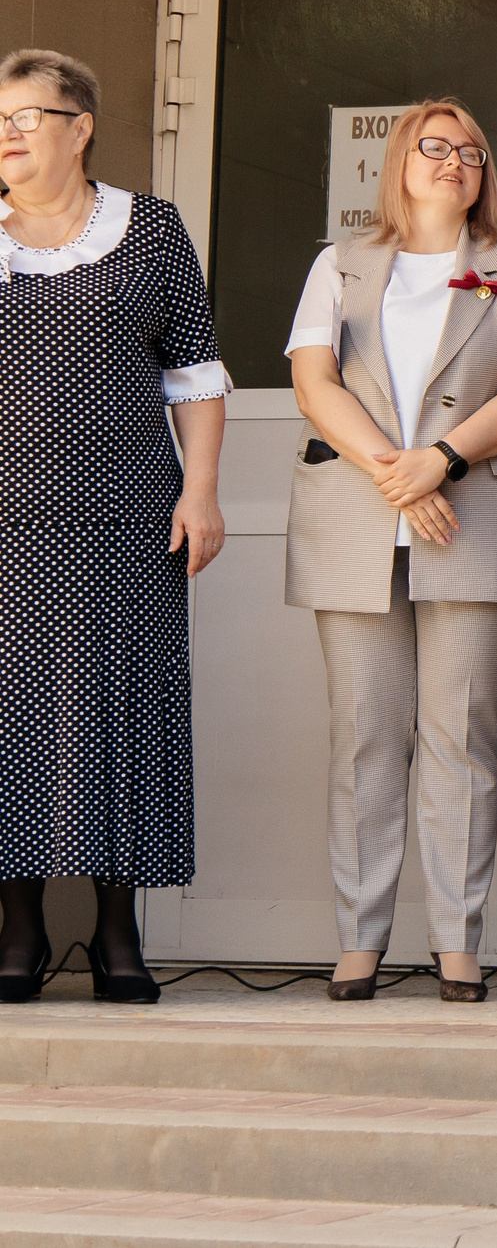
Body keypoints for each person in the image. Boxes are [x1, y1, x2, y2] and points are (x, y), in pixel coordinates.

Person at [285, 98, 497, 1004]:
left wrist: (440, 462)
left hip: (476, 515)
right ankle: (359, 942)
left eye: (472, 152)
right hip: (358, 517)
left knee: (461, 738)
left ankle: (457, 944)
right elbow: (312, 380)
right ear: (400, 161)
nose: (455, 162)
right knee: (366, 736)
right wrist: (392, 473)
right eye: (436, 147)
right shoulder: (341, 263)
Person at [0, 49, 227, 1007]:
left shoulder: (151, 229)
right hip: (8, 515)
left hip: (128, 510)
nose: (8, 134)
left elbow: (197, 371)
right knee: (10, 715)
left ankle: (115, 929)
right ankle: (16, 931)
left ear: (80, 124)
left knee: (121, 711)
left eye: (26, 116)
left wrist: (203, 490)